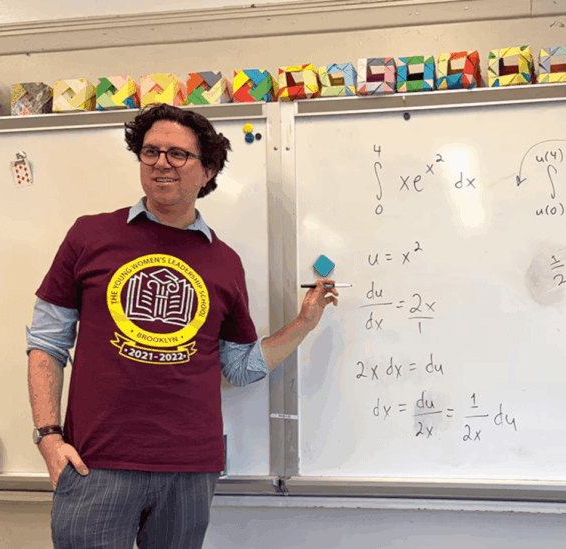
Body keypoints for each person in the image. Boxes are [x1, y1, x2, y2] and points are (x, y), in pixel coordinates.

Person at [26, 103, 339, 549]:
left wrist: (304, 324)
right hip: (95, 464)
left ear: (207, 170)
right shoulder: (89, 235)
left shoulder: (224, 261)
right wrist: (48, 436)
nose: (160, 163)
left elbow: (241, 367)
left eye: (177, 154)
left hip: (190, 470)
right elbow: (46, 343)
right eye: (150, 151)